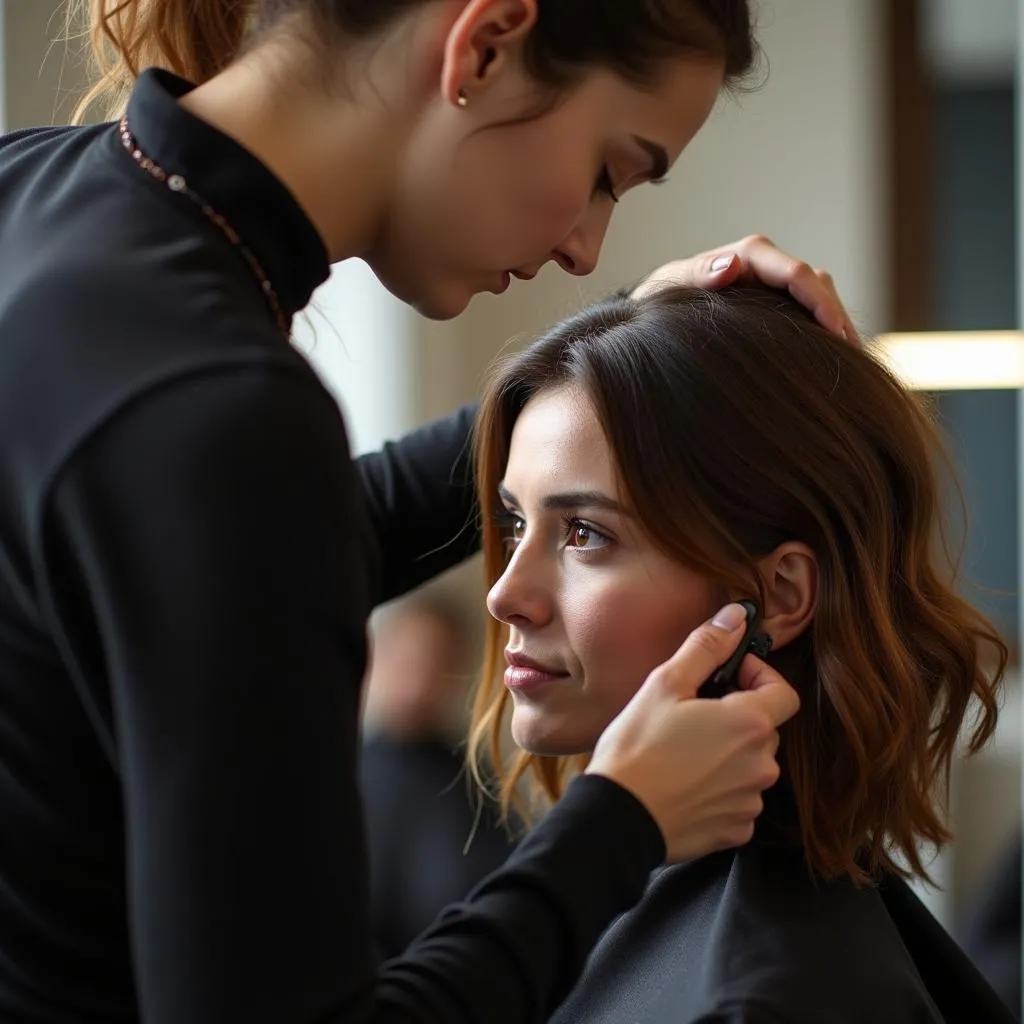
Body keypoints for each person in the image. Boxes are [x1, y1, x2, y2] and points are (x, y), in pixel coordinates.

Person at [0, 0, 855, 1020]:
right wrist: (619, 824)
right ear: (484, 44)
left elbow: (210, 572)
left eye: (581, 531)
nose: (586, 247)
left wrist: (623, 357)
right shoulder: (213, 411)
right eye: (605, 173)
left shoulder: (30, 193)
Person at [469, 285, 1014, 1023]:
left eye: (585, 534)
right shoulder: (610, 887)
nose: (505, 593)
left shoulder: (780, 999)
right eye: (513, 520)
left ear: (780, 596)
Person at [360, 597, 516, 959]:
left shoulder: (475, 779)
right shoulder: (341, 776)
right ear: (376, 660)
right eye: (408, 664)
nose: (420, 685)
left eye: (437, 667)